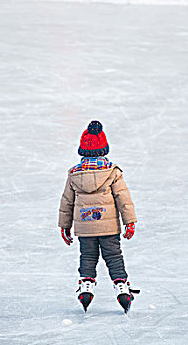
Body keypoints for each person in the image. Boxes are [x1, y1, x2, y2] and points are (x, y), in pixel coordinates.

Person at [58, 120, 138, 313]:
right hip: (109, 227)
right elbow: (123, 198)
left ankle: (86, 286)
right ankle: (122, 288)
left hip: (85, 227)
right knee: (113, 257)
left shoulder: (74, 175)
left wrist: (64, 226)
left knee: (87, 257)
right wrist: (130, 222)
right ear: (104, 149)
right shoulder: (112, 172)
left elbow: (66, 202)